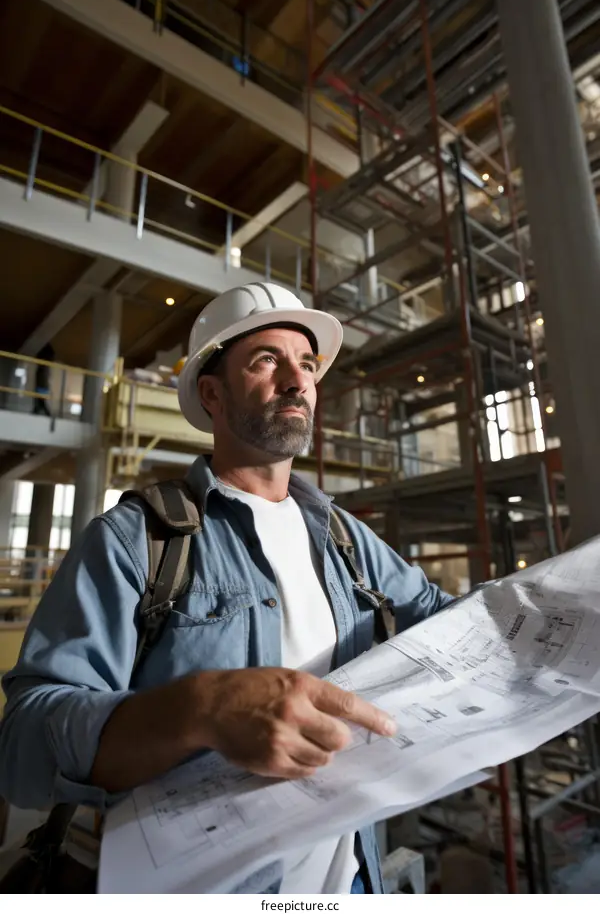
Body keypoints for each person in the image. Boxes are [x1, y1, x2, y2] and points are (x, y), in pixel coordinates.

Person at [0, 283, 453, 893]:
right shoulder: (138, 540)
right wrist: (199, 710)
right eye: (267, 360)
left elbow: (451, 622)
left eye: (307, 364)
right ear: (212, 394)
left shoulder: (345, 538)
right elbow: (24, 744)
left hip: (347, 884)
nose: (297, 381)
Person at [32, 343, 54, 416]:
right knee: (41, 399)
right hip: (42, 385)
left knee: (41, 399)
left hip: (42, 385)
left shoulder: (42, 369)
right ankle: (41, 411)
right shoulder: (45, 368)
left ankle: (39, 411)